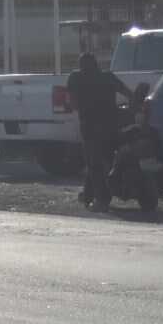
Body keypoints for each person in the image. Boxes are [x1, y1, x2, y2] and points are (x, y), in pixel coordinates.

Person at [64, 49, 135, 210]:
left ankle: (102, 199)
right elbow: (129, 94)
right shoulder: (108, 77)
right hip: (111, 126)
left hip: (90, 127)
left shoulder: (76, 78)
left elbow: (73, 104)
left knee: (94, 164)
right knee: (103, 160)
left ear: (81, 66)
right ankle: (88, 194)